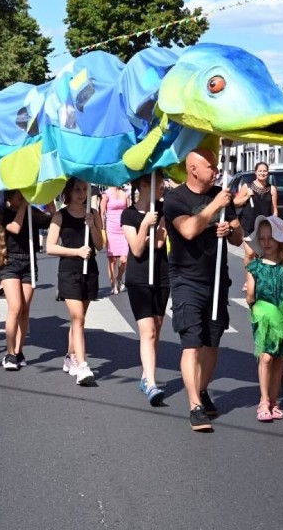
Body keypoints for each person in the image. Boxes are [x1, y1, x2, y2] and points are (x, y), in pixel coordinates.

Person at [162, 146, 243, 432]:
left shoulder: (222, 195)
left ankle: (203, 388)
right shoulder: (174, 199)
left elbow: (238, 237)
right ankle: (195, 405)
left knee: (212, 342)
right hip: (187, 280)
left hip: (217, 279)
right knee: (192, 344)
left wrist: (229, 231)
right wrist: (213, 208)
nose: (216, 169)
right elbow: (188, 230)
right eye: (210, 166)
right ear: (193, 169)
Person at [46, 178, 103, 386]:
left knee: (79, 320)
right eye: (77, 189)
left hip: (90, 270)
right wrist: (76, 252)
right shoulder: (60, 216)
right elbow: (50, 247)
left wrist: (92, 226)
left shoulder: (93, 213)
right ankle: (82, 365)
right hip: (69, 270)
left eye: (84, 189)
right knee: (77, 317)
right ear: (68, 192)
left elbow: (99, 245)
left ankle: (70, 356)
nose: (81, 193)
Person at [121, 171, 169, 405]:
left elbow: (160, 243)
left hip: (161, 274)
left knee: (157, 328)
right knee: (147, 330)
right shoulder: (128, 215)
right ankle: (151, 383)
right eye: (159, 182)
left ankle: (145, 375)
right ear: (144, 184)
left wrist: (156, 228)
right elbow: (137, 250)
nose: (163, 186)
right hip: (138, 277)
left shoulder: (163, 209)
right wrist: (145, 226)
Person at [0, 190, 52, 371]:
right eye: (19, 197)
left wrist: (49, 199)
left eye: (24, 196)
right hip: (10, 262)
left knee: (25, 310)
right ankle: (9, 354)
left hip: (29, 263)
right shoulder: (3, 215)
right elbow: (15, 228)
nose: (23, 199)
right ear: (9, 199)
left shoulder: (32, 213)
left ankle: (19, 351)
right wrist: (25, 206)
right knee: (15, 307)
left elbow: (52, 220)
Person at [244, 216, 283, 423]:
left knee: (278, 358)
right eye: (262, 238)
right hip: (264, 315)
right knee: (266, 356)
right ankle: (264, 400)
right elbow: (250, 295)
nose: (266, 242)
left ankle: (274, 401)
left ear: (279, 240)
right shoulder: (255, 266)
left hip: (282, 315)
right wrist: (253, 299)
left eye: (271, 238)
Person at [233, 162, 277, 288]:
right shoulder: (247, 187)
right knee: (250, 253)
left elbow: (274, 209)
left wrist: (275, 223)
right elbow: (235, 202)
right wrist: (247, 197)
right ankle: (248, 280)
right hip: (248, 224)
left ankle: (258, 279)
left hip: (264, 226)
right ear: (255, 172)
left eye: (265, 171)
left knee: (261, 254)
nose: (262, 173)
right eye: (260, 171)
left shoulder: (272, 189)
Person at [100, 184, 129, 294]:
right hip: (111, 228)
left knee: (124, 259)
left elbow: (128, 210)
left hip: (123, 228)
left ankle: (119, 277)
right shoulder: (106, 194)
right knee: (112, 259)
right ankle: (113, 284)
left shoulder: (125, 193)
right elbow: (102, 213)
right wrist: (102, 228)